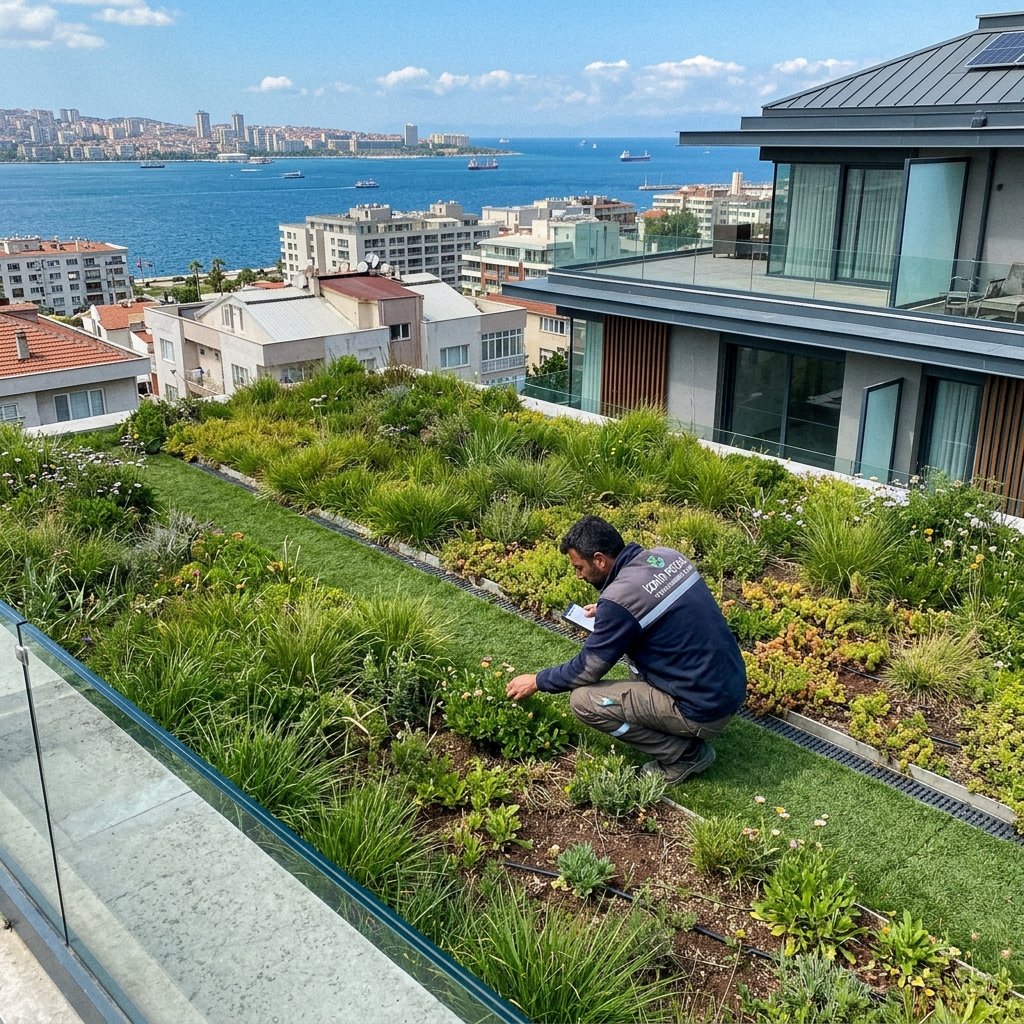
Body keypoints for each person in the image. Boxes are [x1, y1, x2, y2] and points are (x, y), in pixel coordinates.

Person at [506, 515, 746, 783]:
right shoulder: (667, 556)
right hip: (729, 687)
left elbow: (585, 671)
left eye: (579, 567)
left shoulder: (620, 600)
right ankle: (678, 727)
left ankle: (685, 755)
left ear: (599, 559)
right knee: (634, 654)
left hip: (702, 709)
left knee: (584, 701)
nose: (579, 576)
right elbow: (663, 607)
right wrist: (612, 614)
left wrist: (538, 681)